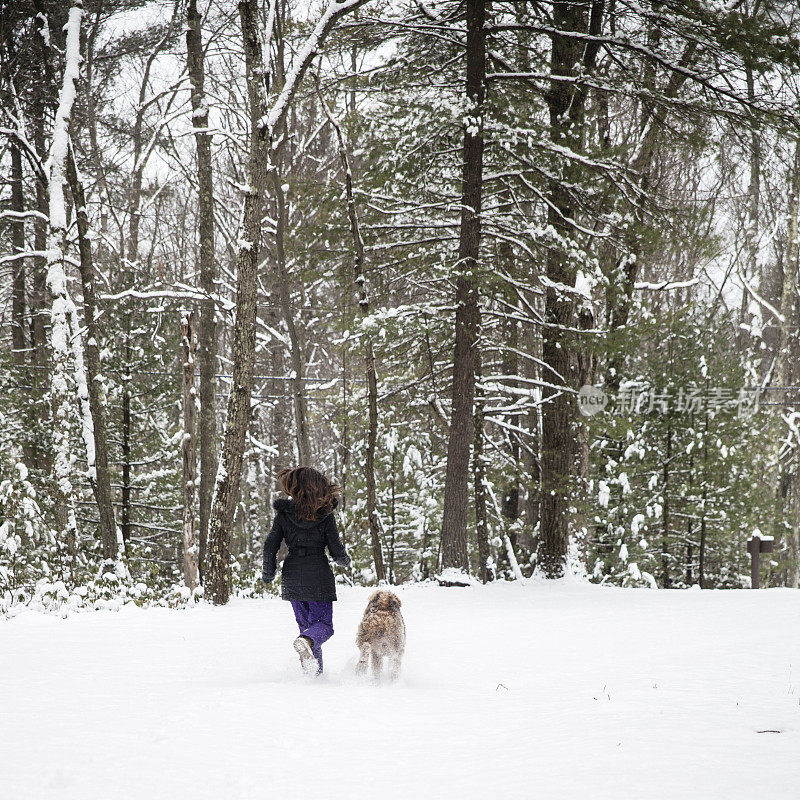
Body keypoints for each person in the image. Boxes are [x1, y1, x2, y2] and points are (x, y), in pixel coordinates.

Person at [262, 467, 351, 676]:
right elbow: (335, 548)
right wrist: (343, 560)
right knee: (323, 627)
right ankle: (307, 648)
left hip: (292, 575)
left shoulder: (284, 515)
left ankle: (313, 678)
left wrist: (269, 571)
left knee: (308, 632)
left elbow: (270, 545)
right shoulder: (325, 515)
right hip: (318, 575)